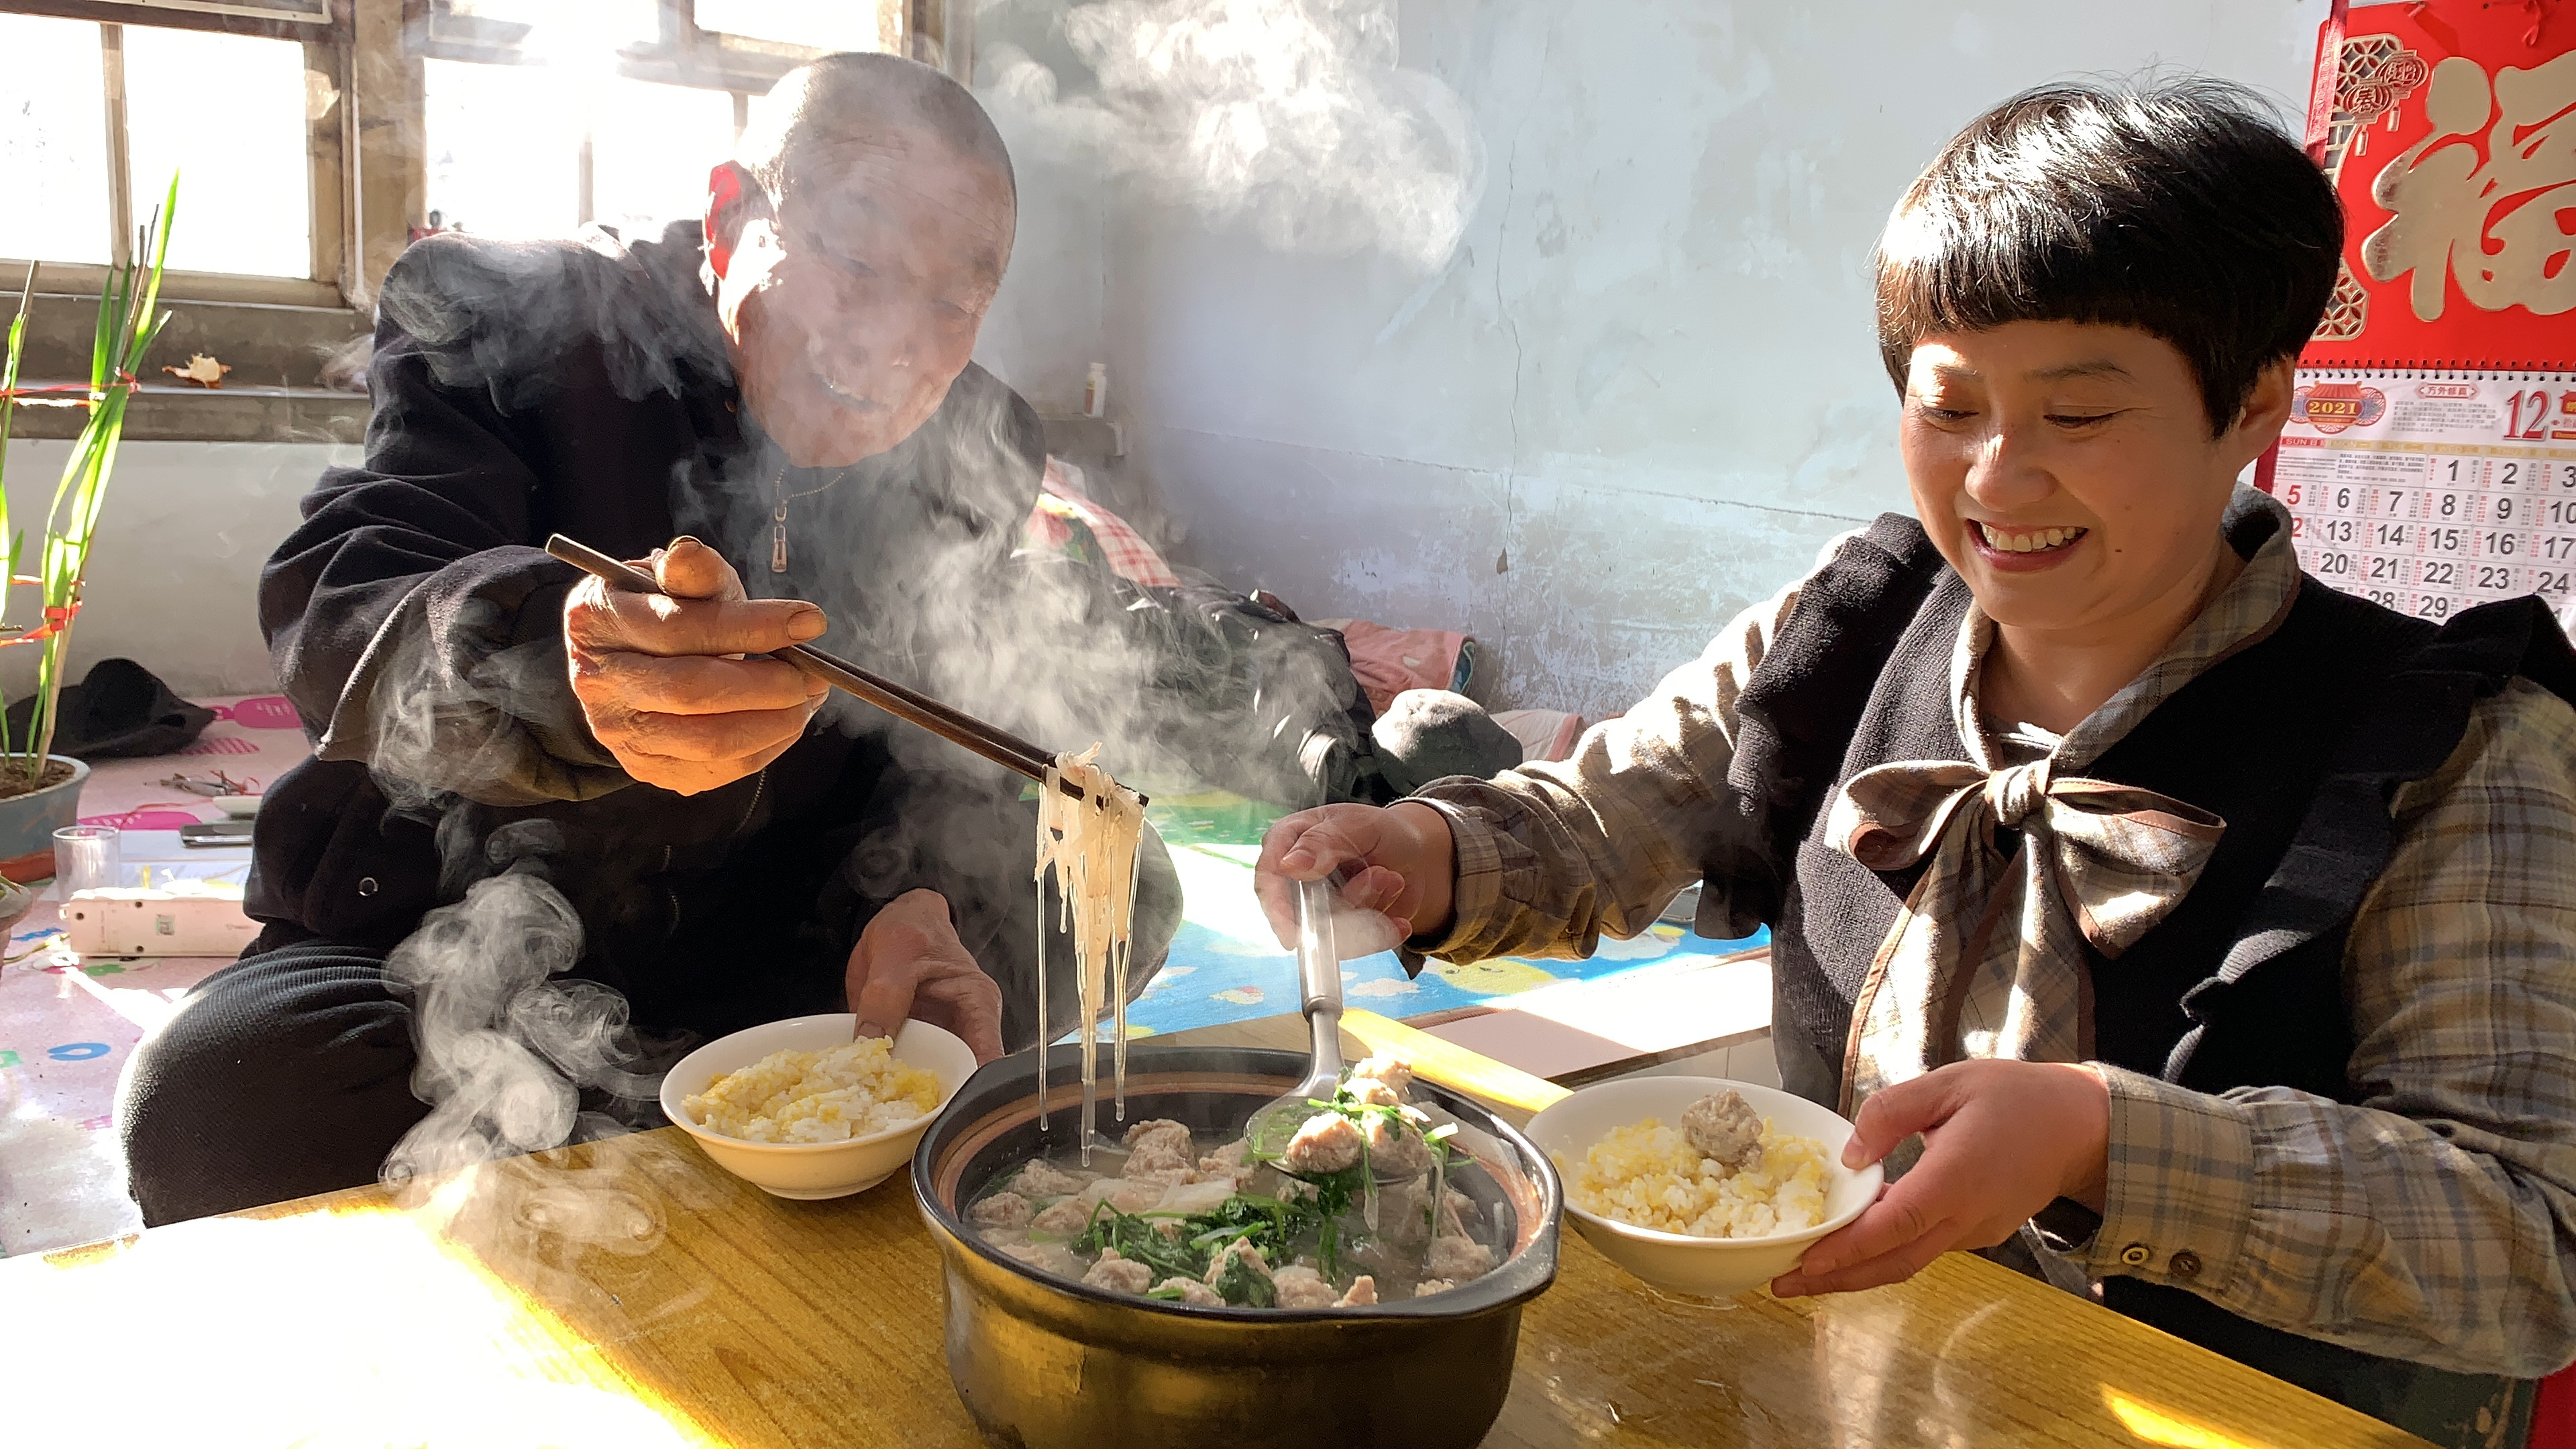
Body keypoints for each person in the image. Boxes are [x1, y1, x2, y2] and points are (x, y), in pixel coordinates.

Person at [1257, 79, 2576, 1446]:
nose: (1998, 479)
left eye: (2078, 415)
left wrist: (2098, 1139)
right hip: (1838, 1391)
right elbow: (1606, 818)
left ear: (2251, 405)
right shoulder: (1851, 626)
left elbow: (2523, 1238)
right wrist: (1429, 848)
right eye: (1950, 407)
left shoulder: (2451, 746)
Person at [117, 55, 1181, 1224]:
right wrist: (553, 659)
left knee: (1121, 874)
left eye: (955, 299)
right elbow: (348, 590)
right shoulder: (512, 320)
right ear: (732, 213)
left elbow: (934, 748)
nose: (895, 344)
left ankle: (659, 1123)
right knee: (218, 1110)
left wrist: (921, 898)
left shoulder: (977, 441)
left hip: (782, 941)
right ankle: (731, 1122)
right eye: (857, 262)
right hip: (453, 942)